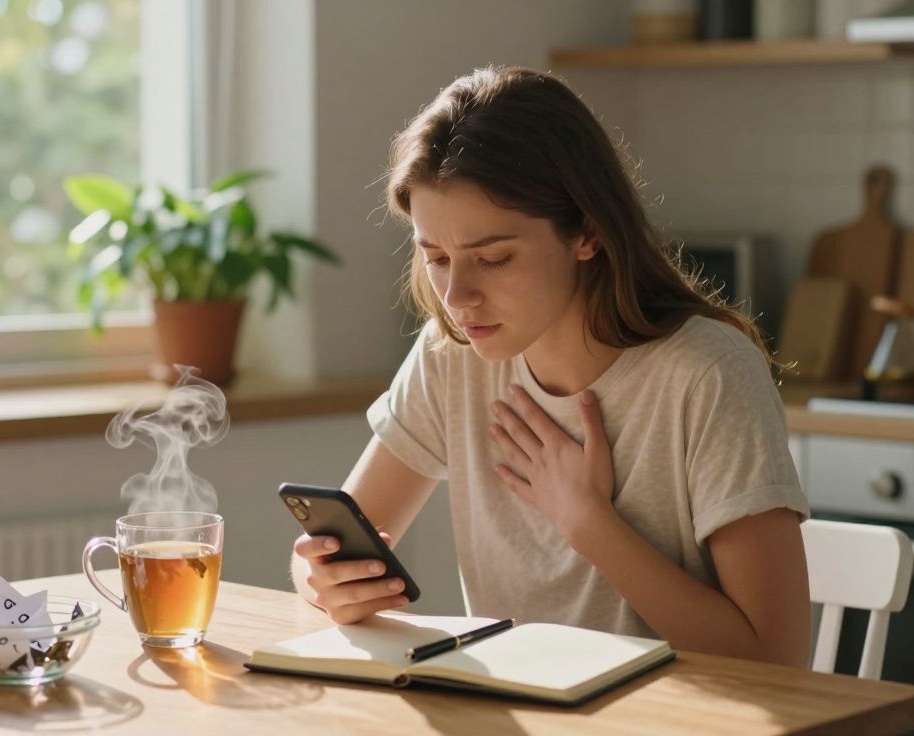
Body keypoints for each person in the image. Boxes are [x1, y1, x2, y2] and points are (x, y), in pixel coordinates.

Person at [290, 66, 811, 667]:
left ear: (586, 233)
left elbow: (777, 660)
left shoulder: (708, 375)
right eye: (435, 256)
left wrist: (588, 522)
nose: (457, 297)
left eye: (494, 258)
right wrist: (328, 586)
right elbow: (321, 557)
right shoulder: (452, 355)